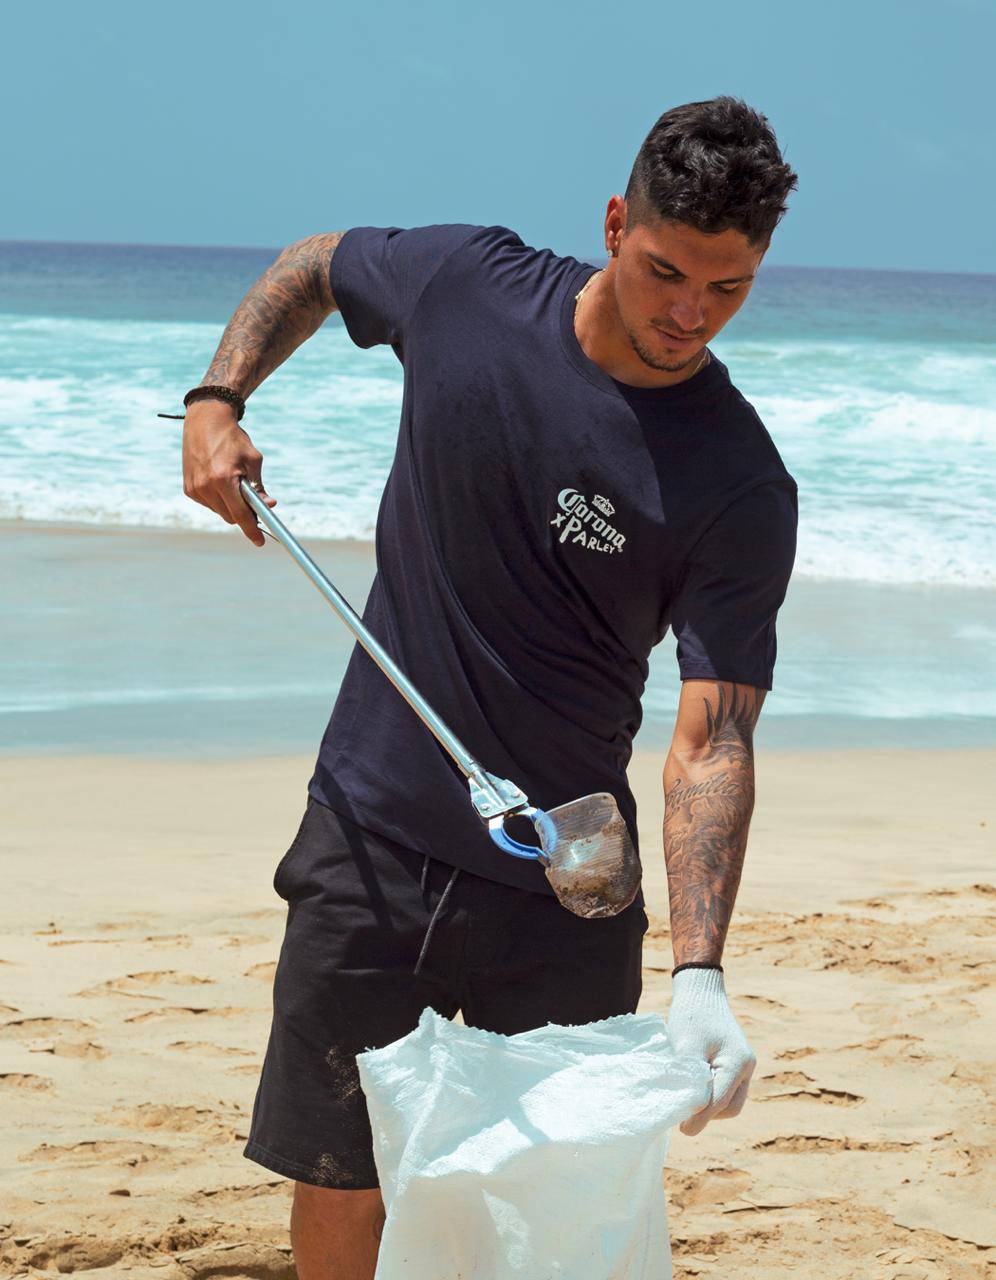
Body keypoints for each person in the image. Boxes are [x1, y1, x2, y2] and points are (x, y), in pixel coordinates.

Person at [180, 95, 799, 1280]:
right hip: (373, 826)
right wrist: (220, 397)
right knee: (344, 1170)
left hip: (564, 878)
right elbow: (317, 263)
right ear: (618, 222)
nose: (689, 315)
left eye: (728, 289)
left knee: (544, 1205)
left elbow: (713, 737)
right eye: (668, 271)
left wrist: (704, 968)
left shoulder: (738, 482)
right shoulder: (468, 287)